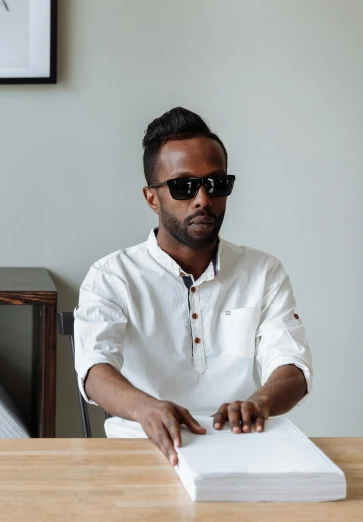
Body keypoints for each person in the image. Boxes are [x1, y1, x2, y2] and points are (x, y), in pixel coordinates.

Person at [73, 107, 312, 465]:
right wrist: (147, 410)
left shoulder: (262, 271)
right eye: (184, 186)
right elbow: (94, 367)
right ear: (152, 197)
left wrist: (259, 403)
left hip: (241, 448)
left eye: (216, 183)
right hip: (139, 449)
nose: (203, 199)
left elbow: (291, 365)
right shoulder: (112, 276)